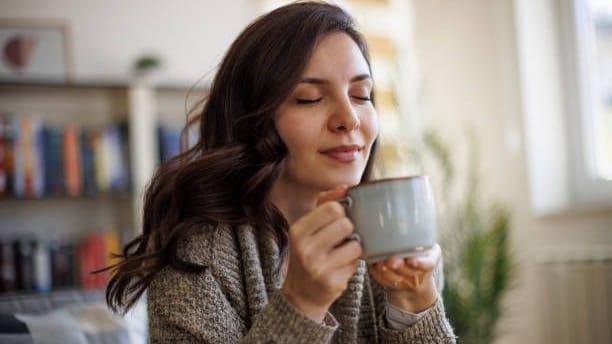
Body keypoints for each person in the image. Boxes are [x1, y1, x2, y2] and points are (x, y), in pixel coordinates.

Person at [104, 2, 456, 343]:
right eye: (309, 98)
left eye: (361, 95)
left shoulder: (393, 241)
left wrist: (415, 305)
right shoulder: (196, 261)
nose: (349, 118)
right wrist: (300, 306)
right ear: (254, 120)